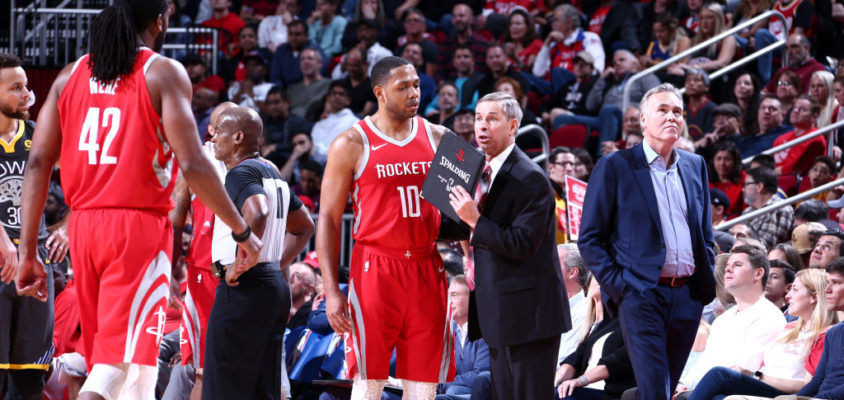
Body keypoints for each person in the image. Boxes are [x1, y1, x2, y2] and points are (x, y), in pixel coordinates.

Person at [15, 1, 262, 399]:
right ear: (160, 20)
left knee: (138, 361)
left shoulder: (68, 76)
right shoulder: (161, 71)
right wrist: (241, 229)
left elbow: (39, 162)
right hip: (136, 229)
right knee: (116, 364)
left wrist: (28, 251)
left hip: (84, 228)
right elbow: (194, 164)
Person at [316, 56, 457, 399]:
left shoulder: (441, 137)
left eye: (417, 85)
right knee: (369, 380)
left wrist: (473, 267)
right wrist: (331, 289)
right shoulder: (350, 143)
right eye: (403, 87)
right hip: (375, 268)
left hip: (427, 266)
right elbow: (329, 220)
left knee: (423, 385)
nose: (414, 94)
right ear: (379, 92)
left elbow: (461, 217)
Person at [578, 83, 717, 400]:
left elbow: (703, 233)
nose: (672, 117)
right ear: (642, 119)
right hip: (642, 293)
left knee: (662, 389)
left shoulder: (695, 165)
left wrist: (703, 277)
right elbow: (589, 238)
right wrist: (621, 286)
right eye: (663, 110)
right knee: (655, 390)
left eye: (678, 112)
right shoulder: (615, 166)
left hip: (688, 295)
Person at [446, 91, 569, 399]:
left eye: (492, 118)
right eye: (478, 118)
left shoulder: (531, 177)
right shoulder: (477, 170)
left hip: (530, 317)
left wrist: (474, 220)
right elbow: (464, 226)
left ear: (513, 126)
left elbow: (522, 244)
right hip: (497, 313)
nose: (481, 126)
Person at [203, 107, 314, 399]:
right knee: (262, 390)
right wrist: (276, 263)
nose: (213, 137)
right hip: (272, 286)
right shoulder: (272, 173)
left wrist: (241, 264)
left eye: (219, 131)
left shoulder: (239, 172)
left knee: (222, 389)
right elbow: (305, 227)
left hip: (244, 289)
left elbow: (259, 212)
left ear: (238, 137)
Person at [0, 52, 68, 400]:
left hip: (35, 261)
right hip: (2, 260)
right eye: (16, 88)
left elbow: (87, 178)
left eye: (27, 86)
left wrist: (68, 226)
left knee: (29, 378)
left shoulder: (38, 136)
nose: (27, 94)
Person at [688, 268, 838, 399]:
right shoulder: (788, 329)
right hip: (761, 386)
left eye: (795, 289)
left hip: (784, 395)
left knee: (720, 374)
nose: (788, 296)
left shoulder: (826, 335)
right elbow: (763, 366)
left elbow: (809, 385)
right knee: (718, 397)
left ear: (814, 297)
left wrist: (761, 377)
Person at [677, 246, 787, 396]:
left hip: (741, 391)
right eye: (728, 266)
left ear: (758, 273)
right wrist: (684, 384)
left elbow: (742, 370)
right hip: (710, 387)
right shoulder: (723, 319)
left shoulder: (769, 316)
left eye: (737, 265)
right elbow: (705, 362)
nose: (728, 270)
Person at [555, 277, 636, 400]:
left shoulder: (628, 324)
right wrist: (554, 382)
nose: (598, 280)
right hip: (583, 390)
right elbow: (575, 358)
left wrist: (580, 380)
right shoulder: (602, 325)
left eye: (603, 278)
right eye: (595, 277)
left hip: (608, 392)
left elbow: (618, 360)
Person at [436, 275, 490, 399]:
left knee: (451, 392)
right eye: (448, 295)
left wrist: (443, 384)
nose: (449, 301)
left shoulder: (483, 330)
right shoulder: (449, 332)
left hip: (480, 392)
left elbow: (480, 374)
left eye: (454, 295)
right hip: (452, 389)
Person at [742, 167, 794, 249]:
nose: (743, 189)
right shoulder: (747, 211)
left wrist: (745, 233)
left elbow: (767, 246)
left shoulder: (781, 208)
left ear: (759, 186)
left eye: (747, 184)